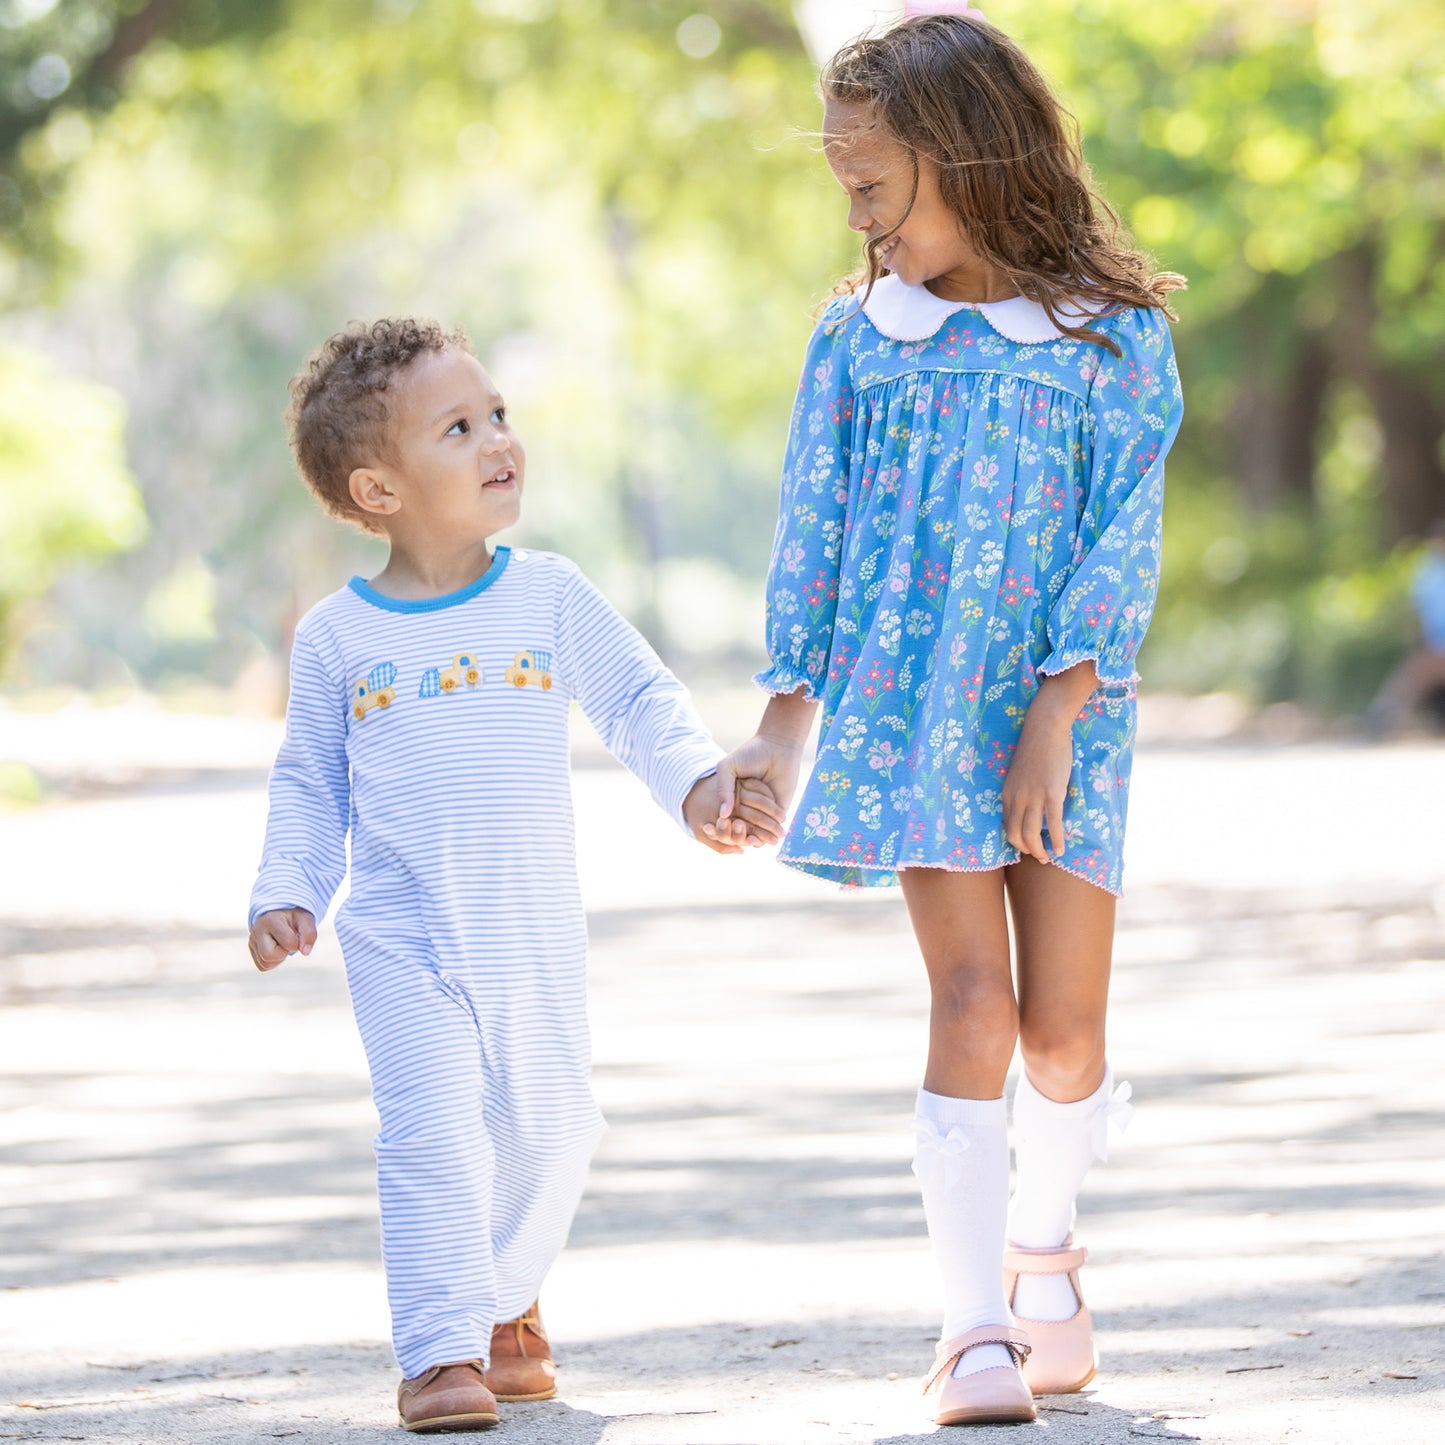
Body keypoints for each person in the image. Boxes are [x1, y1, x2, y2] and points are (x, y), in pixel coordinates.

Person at [706, 5, 1184, 1428]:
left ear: (965, 155)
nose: (854, 215)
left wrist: (1061, 700)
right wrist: (780, 730)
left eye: (870, 182)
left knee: (1064, 1042)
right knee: (972, 1005)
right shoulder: (859, 343)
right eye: (844, 187)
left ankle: (1043, 1248)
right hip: (914, 716)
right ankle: (973, 1329)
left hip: (1065, 717)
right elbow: (820, 535)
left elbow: (1125, 533)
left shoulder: (1113, 339)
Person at [247, 318, 782, 1434]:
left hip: (528, 928)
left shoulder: (546, 595)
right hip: (403, 937)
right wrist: (286, 886)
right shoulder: (340, 638)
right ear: (377, 487)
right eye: (458, 427)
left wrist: (696, 785)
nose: (499, 440)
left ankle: (503, 1295)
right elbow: (308, 783)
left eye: (498, 415)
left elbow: (638, 698)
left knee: (554, 1126)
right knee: (433, 1128)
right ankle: (443, 1349)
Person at [1366, 517, 1445, 737]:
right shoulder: (1429, 571)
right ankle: (1382, 718)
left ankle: (1384, 715)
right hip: (1435, 647)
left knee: (1421, 668)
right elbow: (1418, 613)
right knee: (1416, 668)